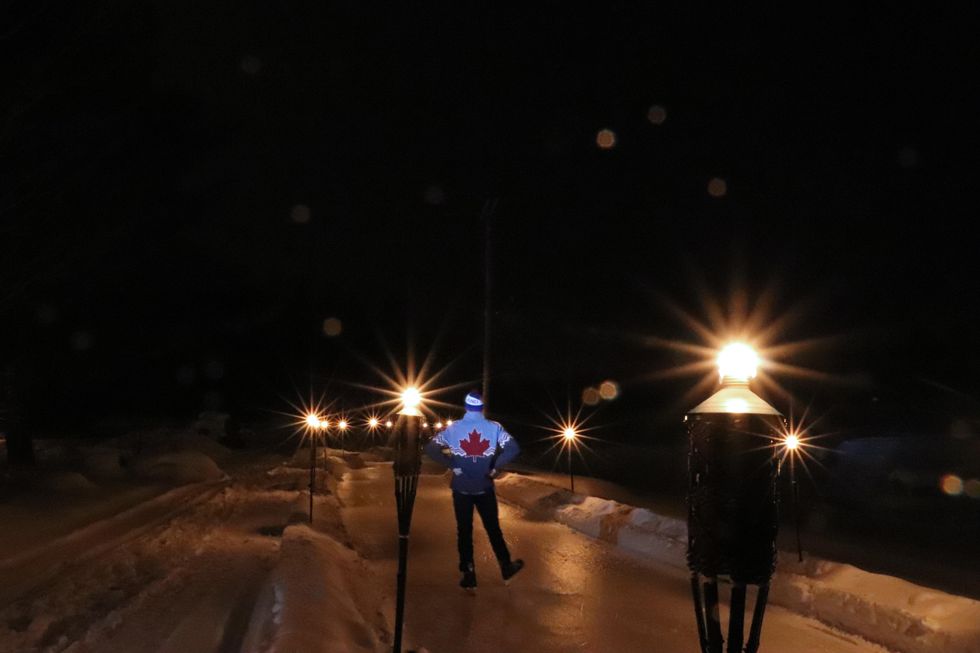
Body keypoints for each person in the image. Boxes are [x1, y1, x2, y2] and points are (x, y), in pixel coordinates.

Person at [424, 390, 524, 589]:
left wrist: (452, 464)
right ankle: (506, 566)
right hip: (484, 487)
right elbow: (513, 448)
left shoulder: (454, 429)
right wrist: (495, 466)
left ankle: (468, 574)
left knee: (464, 531)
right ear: (481, 407)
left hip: (461, 489)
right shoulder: (494, 427)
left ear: (467, 407)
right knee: (493, 528)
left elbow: (431, 449)